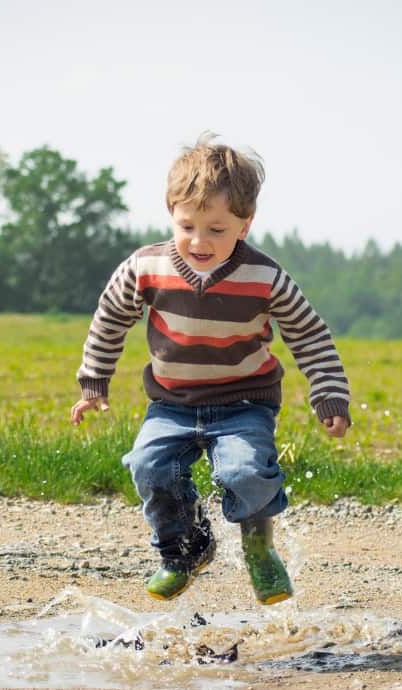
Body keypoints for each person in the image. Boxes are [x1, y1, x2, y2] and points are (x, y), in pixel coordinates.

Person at [71, 134, 350, 605]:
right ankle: (186, 549)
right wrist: (94, 381)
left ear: (245, 224)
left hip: (245, 403)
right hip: (171, 403)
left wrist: (329, 395)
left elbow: (309, 335)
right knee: (148, 466)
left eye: (217, 229)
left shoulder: (266, 278)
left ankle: (259, 546)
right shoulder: (146, 266)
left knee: (244, 473)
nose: (200, 241)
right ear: (172, 214)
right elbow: (110, 318)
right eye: (188, 226)